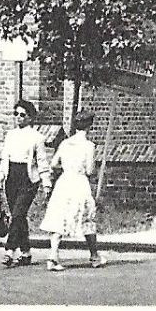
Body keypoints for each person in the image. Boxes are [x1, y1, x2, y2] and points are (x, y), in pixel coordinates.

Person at [40, 111, 105, 271]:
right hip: (79, 183)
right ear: (89, 126)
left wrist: (67, 166)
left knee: (60, 217)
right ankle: (94, 256)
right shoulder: (89, 146)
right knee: (86, 218)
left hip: (64, 182)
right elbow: (90, 170)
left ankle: (53, 256)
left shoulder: (64, 143)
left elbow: (54, 163)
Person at [0, 100, 47, 268]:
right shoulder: (10, 135)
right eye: (16, 114)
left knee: (17, 214)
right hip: (12, 177)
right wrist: (0, 180)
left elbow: (41, 161)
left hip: (28, 179)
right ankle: (26, 253)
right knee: (20, 217)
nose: (18, 118)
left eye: (22, 115)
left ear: (30, 118)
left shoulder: (37, 137)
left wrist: (46, 183)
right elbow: (5, 159)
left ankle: (9, 250)